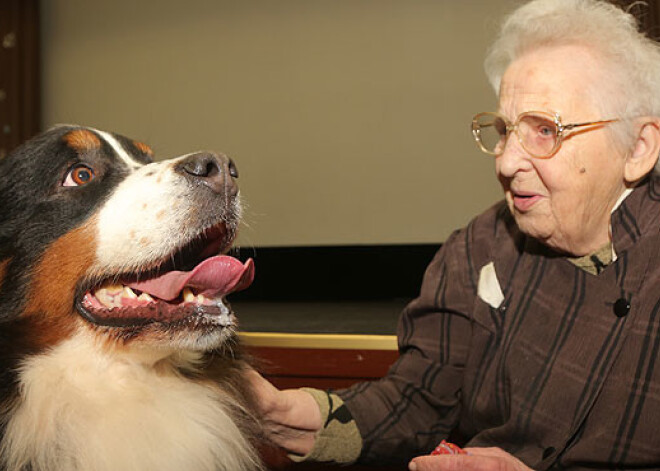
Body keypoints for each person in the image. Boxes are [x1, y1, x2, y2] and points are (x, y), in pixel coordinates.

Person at [248, 0, 660, 469]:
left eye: (545, 130)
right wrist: (291, 417)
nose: (505, 162)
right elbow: (417, 400)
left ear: (639, 148)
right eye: (505, 130)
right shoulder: (479, 247)